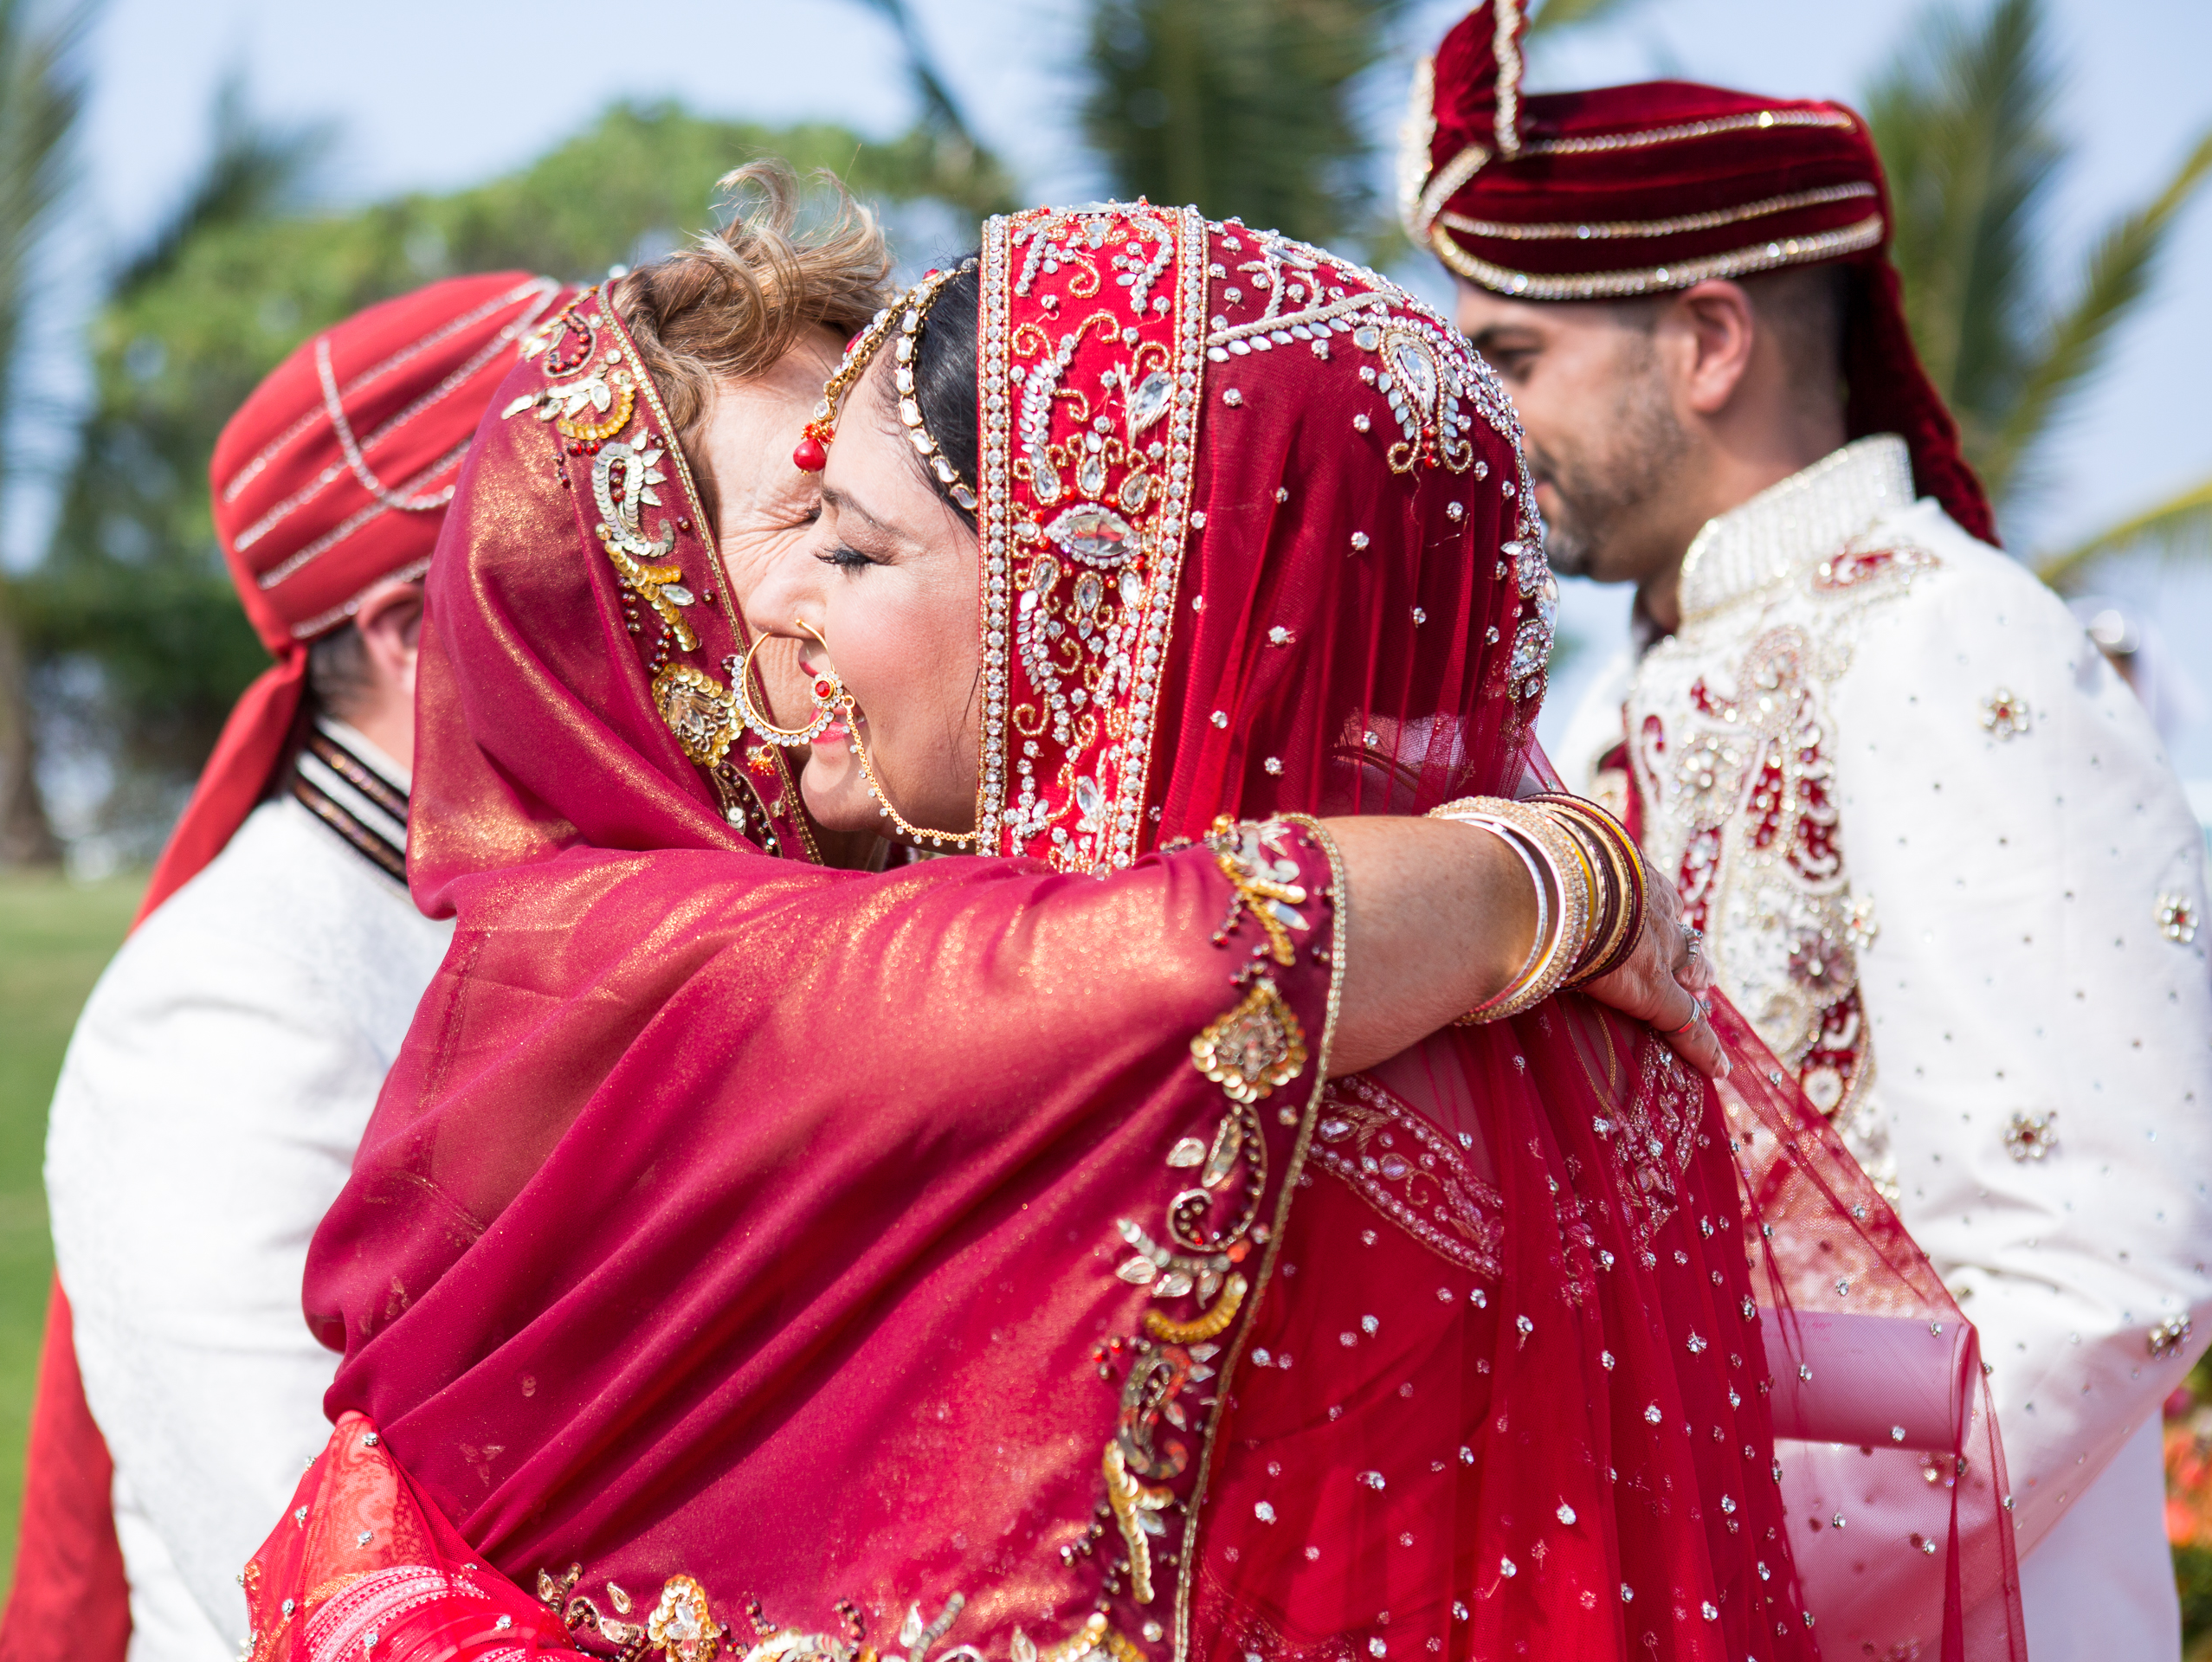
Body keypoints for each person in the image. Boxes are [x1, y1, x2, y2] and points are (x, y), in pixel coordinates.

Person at [245, 199, 2014, 1662]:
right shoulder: (646, 957)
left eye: (844, 535)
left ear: (1094, 584)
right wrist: (1541, 881)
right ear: (608, 632)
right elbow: (1166, 956)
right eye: (746, 546)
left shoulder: (1303, 1074)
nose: (782, 609)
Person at [1403, 3, 2212, 1655]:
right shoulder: (1632, 688)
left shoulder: (1946, 644)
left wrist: (1675, 1572)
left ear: (1710, 342)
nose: (1481, 423)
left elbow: (2106, 1277)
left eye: (1515, 359)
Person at [0, 273, 571, 1662]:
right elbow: (315, 1577)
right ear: (408, 629)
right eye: (604, 544)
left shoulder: (569, 906)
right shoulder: (225, 1011)